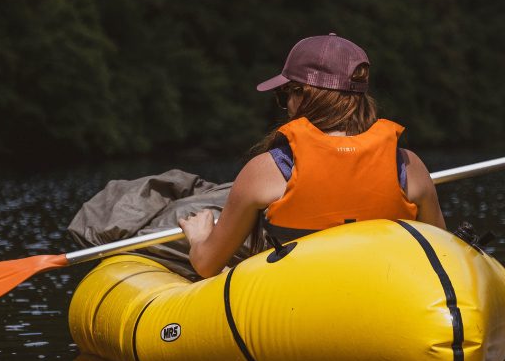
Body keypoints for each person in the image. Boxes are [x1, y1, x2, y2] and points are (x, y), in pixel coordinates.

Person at [178, 34, 445, 278]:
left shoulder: (267, 170)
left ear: (300, 94)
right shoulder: (410, 167)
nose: (286, 106)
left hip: (296, 313)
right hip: (386, 301)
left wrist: (199, 237)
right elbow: (442, 255)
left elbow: (207, 265)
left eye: (284, 96)